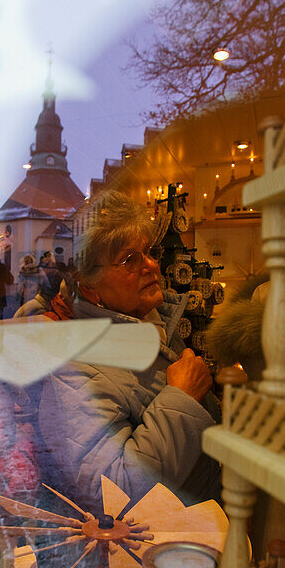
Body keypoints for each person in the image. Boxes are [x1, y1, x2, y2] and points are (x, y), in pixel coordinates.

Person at [36, 191, 220, 509]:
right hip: (160, 551)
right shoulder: (74, 374)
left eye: (149, 252)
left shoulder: (155, 328)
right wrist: (182, 399)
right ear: (90, 286)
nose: (151, 265)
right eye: (129, 260)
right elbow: (113, 493)